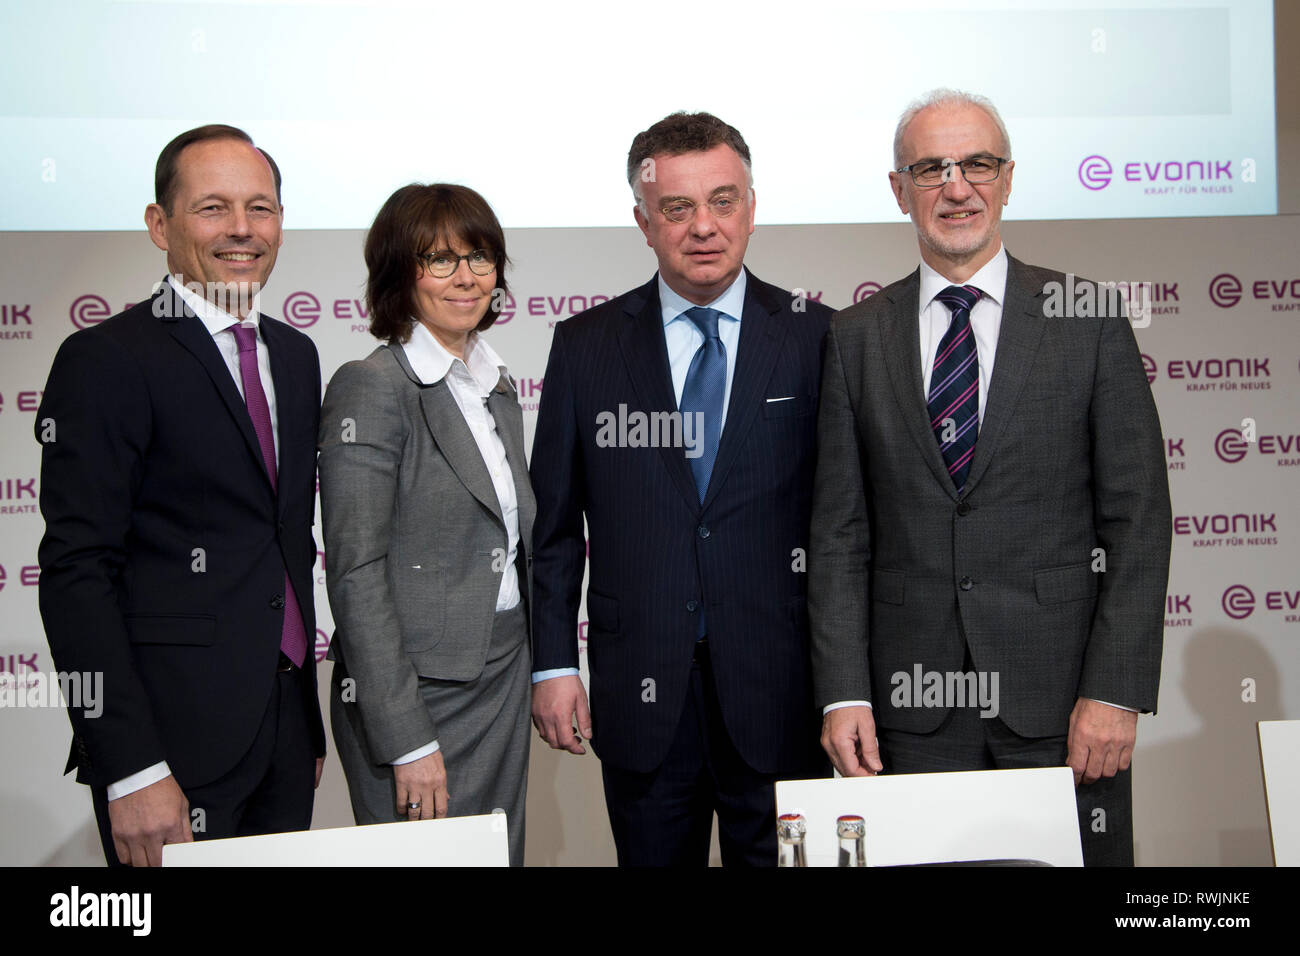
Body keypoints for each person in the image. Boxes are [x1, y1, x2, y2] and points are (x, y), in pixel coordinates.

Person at [810, 89, 1172, 866]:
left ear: (1007, 179)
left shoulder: (1088, 318)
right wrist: (846, 692)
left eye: (977, 163)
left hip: (1065, 709)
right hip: (910, 715)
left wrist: (1115, 690)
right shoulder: (854, 338)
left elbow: (1137, 522)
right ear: (898, 189)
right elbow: (839, 537)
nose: (956, 185)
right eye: (931, 168)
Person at [530, 112, 832, 867]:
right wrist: (555, 665)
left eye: (723, 201)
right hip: (641, 696)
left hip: (782, 691)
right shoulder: (586, 346)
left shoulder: (820, 337)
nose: (704, 226)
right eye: (677, 208)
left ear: (752, 209)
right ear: (643, 221)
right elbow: (555, 530)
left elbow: (849, 526)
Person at [35, 124, 325, 867]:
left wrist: (305, 727)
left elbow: (279, 544)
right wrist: (129, 765)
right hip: (167, 750)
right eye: (213, 208)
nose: (242, 230)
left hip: (284, 737)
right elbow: (77, 573)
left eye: (261, 208)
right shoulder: (106, 359)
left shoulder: (295, 356)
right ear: (159, 225)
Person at [318, 183, 533, 866]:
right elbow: (355, 572)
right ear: (398, 273)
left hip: (500, 680)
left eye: (479, 257)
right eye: (439, 259)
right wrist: (405, 736)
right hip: (415, 699)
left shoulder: (496, 384)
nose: (465, 276)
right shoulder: (372, 386)